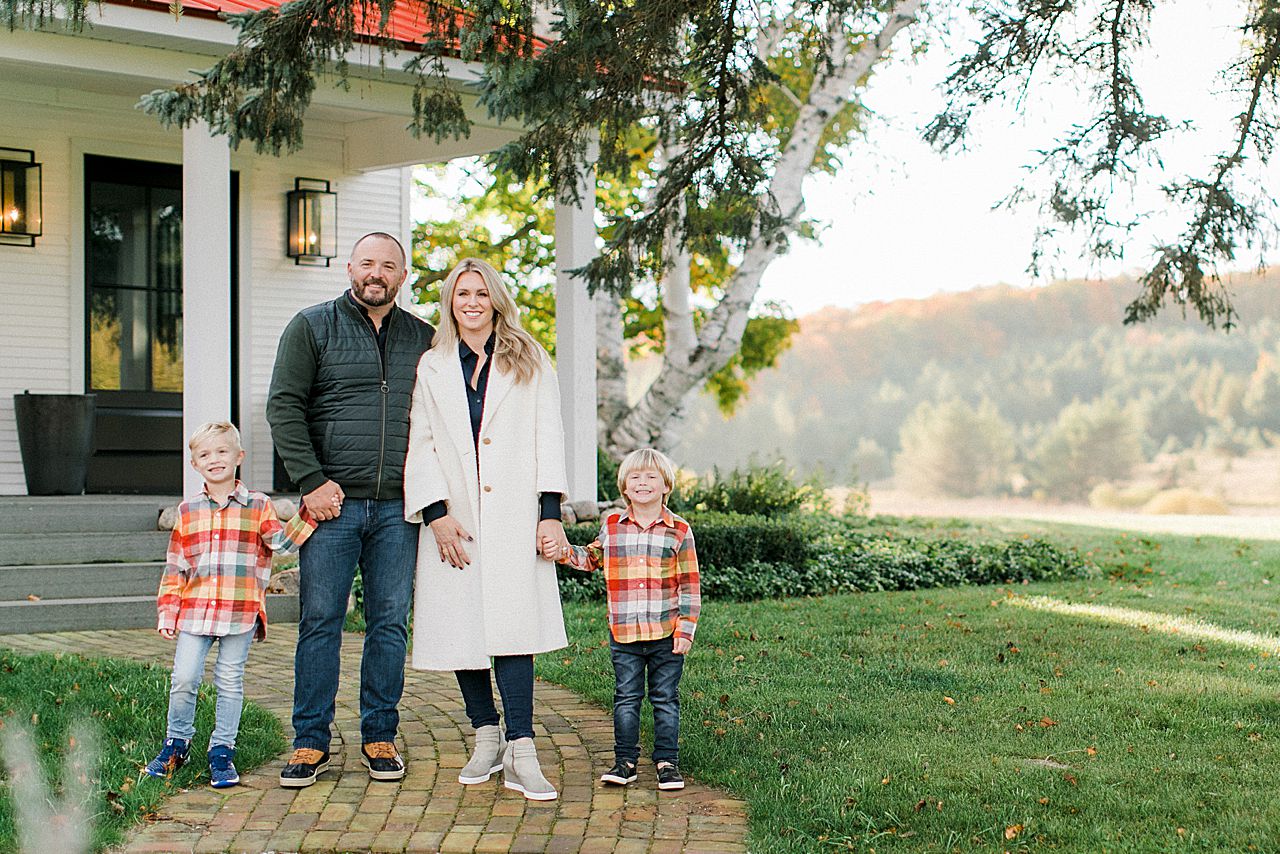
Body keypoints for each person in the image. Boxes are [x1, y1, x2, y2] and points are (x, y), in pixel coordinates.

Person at [266, 232, 434, 787]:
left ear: (403, 275)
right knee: (321, 624)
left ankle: (379, 735)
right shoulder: (311, 326)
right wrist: (311, 481)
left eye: (388, 265)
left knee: (389, 624)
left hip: (397, 511)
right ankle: (310, 742)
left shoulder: (425, 340)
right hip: (330, 508)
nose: (376, 273)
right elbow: (284, 408)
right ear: (349, 268)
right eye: (367, 263)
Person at [403, 257, 572, 801]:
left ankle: (523, 749)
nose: (471, 302)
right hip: (457, 519)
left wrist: (548, 511)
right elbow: (422, 441)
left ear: (496, 299)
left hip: (515, 514)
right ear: (450, 302)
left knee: (513, 626)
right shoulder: (433, 365)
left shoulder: (528, 356)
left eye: (480, 292)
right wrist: (436, 514)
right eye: (461, 293)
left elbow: (550, 433)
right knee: (461, 629)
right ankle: (485, 732)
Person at [145, 421, 317, 789]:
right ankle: (177, 743)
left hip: (239, 612)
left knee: (229, 680)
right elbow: (176, 565)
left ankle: (221, 751)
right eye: (205, 454)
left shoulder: (258, 505)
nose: (215, 459)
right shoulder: (188, 510)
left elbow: (281, 545)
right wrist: (168, 610)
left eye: (222, 451)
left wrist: (309, 514)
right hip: (194, 611)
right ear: (194, 463)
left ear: (239, 457)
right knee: (184, 678)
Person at [543, 447, 701, 791]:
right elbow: (592, 558)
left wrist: (685, 630)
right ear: (624, 487)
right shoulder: (612, 526)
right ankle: (625, 761)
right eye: (635, 477)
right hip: (625, 632)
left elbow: (689, 585)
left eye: (651, 477)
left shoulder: (679, 531)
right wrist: (563, 552)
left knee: (664, 698)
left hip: (666, 632)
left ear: (665, 486)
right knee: (627, 697)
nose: (643, 482)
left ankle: (667, 762)